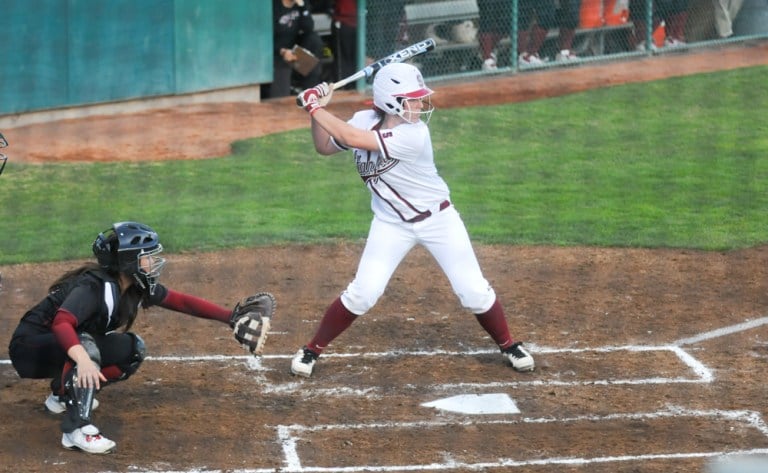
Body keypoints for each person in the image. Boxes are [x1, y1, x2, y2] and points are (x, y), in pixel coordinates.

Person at [291, 63, 535, 378]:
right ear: (391, 101)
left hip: (439, 221)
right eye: (413, 99)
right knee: (362, 293)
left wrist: (314, 106)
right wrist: (318, 112)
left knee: (473, 291)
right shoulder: (364, 119)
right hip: (390, 224)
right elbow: (324, 146)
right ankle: (311, 350)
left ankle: (508, 345)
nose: (420, 105)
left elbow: (349, 135)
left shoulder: (415, 134)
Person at [8, 221, 275, 454]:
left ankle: (63, 395)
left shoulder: (133, 286)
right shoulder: (93, 287)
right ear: (129, 261)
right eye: (147, 256)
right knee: (86, 347)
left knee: (132, 350)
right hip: (30, 349)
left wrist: (229, 317)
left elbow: (179, 301)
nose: (153, 262)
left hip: (59, 347)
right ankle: (77, 430)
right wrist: (83, 360)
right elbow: (62, 323)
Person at [265, 0, 324, 99]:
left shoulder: (301, 5)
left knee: (314, 39)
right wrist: (282, 51)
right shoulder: (275, 6)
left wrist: (303, 7)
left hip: (294, 52)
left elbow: (309, 28)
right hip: (275, 52)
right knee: (280, 97)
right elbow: (265, 37)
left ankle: (309, 97)